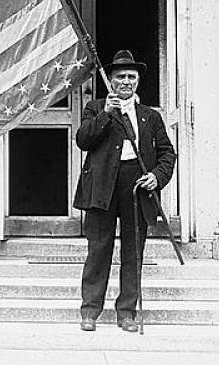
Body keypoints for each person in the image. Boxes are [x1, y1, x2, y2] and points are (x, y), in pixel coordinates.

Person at [73, 50, 176, 333]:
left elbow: (167, 152)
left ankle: (127, 313)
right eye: (120, 77)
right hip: (102, 186)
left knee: (133, 253)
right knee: (99, 249)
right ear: (112, 81)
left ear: (138, 81)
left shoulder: (150, 116)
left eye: (132, 77)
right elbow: (84, 140)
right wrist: (106, 114)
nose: (126, 82)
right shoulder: (95, 108)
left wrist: (157, 176)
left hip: (137, 187)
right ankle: (90, 311)